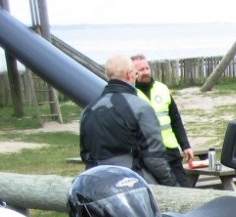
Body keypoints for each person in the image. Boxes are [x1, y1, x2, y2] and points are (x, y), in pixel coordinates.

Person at [78, 54, 177, 187]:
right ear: (129, 74)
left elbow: (85, 154)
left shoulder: (88, 111)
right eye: (136, 73)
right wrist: (171, 185)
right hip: (131, 182)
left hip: (96, 183)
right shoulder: (140, 107)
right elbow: (154, 158)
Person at [131, 54, 195, 187]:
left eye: (147, 68)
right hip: (148, 153)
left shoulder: (162, 88)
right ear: (133, 73)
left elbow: (175, 119)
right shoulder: (131, 94)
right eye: (141, 70)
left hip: (170, 149)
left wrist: (185, 145)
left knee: (185, 188)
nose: (146, 72)